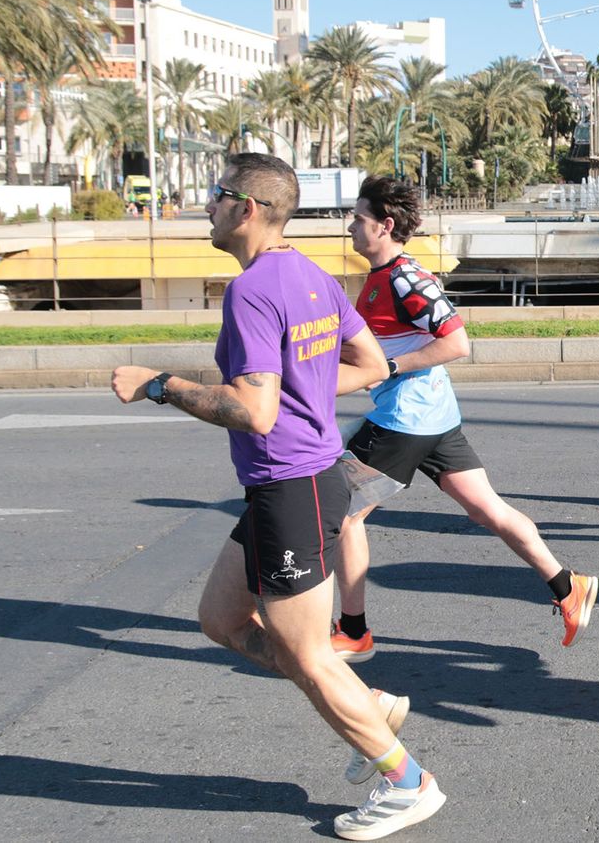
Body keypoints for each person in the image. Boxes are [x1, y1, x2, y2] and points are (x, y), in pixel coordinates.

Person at [111, 153, 446, 840]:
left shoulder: (256, 290)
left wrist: (160, 385)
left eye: (214, 193)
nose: (206, 205)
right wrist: (303, 391)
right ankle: (369, 706)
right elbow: (371, 364)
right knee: (222, 621)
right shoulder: (311, 275)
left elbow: (254, 410)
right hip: (291, 483)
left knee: (308, 656)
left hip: (292, 485)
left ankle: (407, 781)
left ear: (248, 208)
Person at [337, 176, 598, 660]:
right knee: (487, 509)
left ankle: (353, 631)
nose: (350, 226)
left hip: (404, 421)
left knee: (341, 517)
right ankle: (568, 586)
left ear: (385, 225)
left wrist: (390, 368)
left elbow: (457, 342)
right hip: (431, 418)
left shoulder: (404, 278)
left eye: (358, 217)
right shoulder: (381, 279)